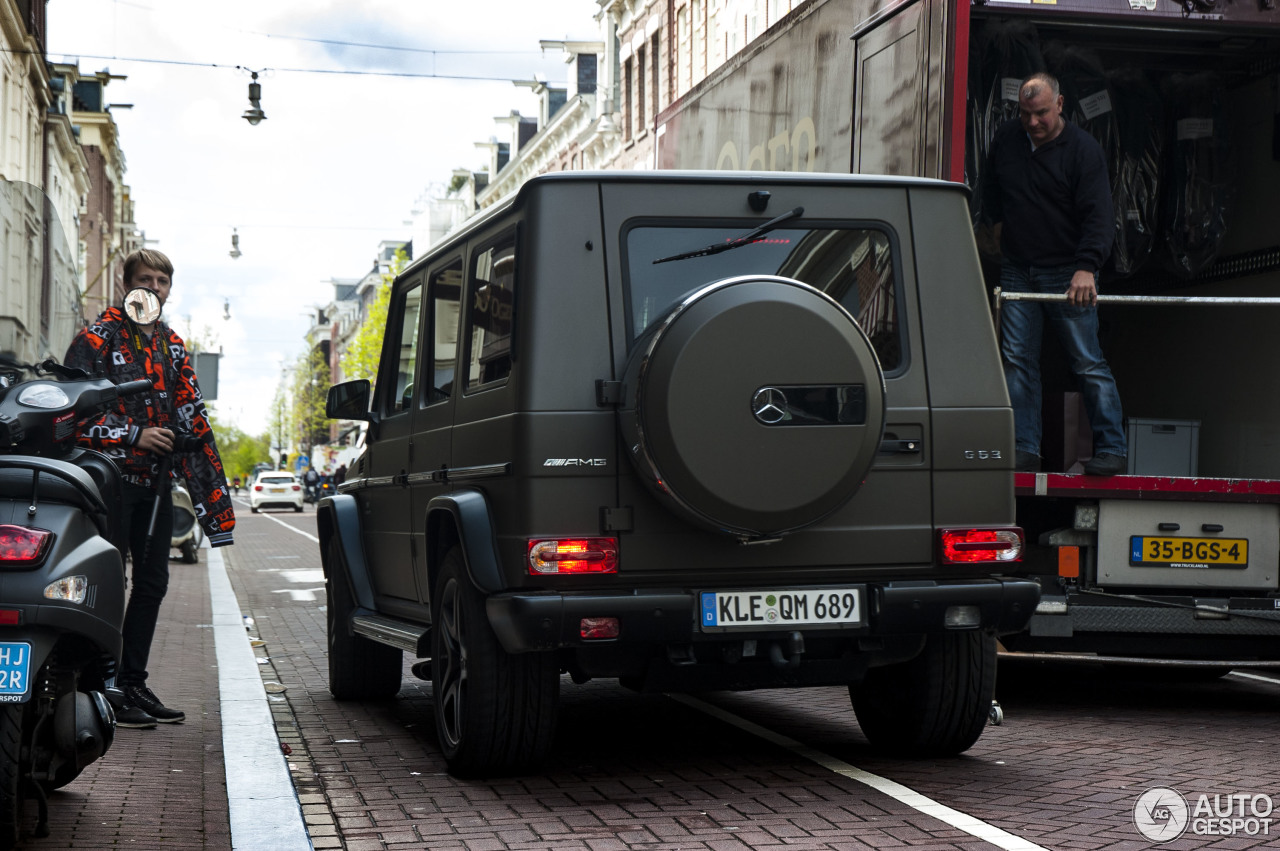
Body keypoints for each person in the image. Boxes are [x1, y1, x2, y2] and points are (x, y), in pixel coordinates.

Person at [64, 248, 236, 728]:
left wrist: (213, 508)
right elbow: (70, 410)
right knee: (105, 582)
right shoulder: (96, 339)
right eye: (146, 278)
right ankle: (97, 687)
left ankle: (132, 683)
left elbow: (193, 419)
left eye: (163, 280)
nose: (155, 287)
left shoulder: (173, 345)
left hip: (157, 485)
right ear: (127, 284)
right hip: (105, 483)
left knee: (153, 583)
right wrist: (132, 433)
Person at [983, 71, 1128, 476]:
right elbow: (991, 187)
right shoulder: (1006, 140)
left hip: (1068, 272)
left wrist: (1087, 267)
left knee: (1087, 360)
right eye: (1026, 114)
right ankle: (1024, 448)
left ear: (1060, 105)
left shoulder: (1083, 150)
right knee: (1016, 361)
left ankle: (1112, 449)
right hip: (1018, 269)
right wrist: (995, 224)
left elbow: (1100, 215)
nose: (1033, 122)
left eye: (1042, 113)